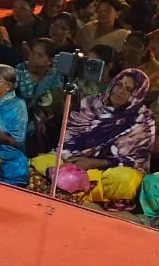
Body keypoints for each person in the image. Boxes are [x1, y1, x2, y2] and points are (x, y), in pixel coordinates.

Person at [31, 69, 153, 206]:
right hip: (73, 162)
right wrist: (70, 159)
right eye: (119, 85)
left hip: (105, 172)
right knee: (43, 161)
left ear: (138, 94)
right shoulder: (90, 103)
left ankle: (68, 184)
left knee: (124, 180)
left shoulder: (143, 120)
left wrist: (94, 162)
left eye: (129, 89)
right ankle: (73, 183)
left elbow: (135, 161)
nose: (121, 91)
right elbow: (69, 138)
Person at [15, 37, 67, 154]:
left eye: (39, 55)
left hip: (43, 121)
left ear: (50, 60)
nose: (33, 57)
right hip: (17, 116)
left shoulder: (55, 76)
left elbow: (53, 103)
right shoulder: (20, 69)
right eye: (33, 53)